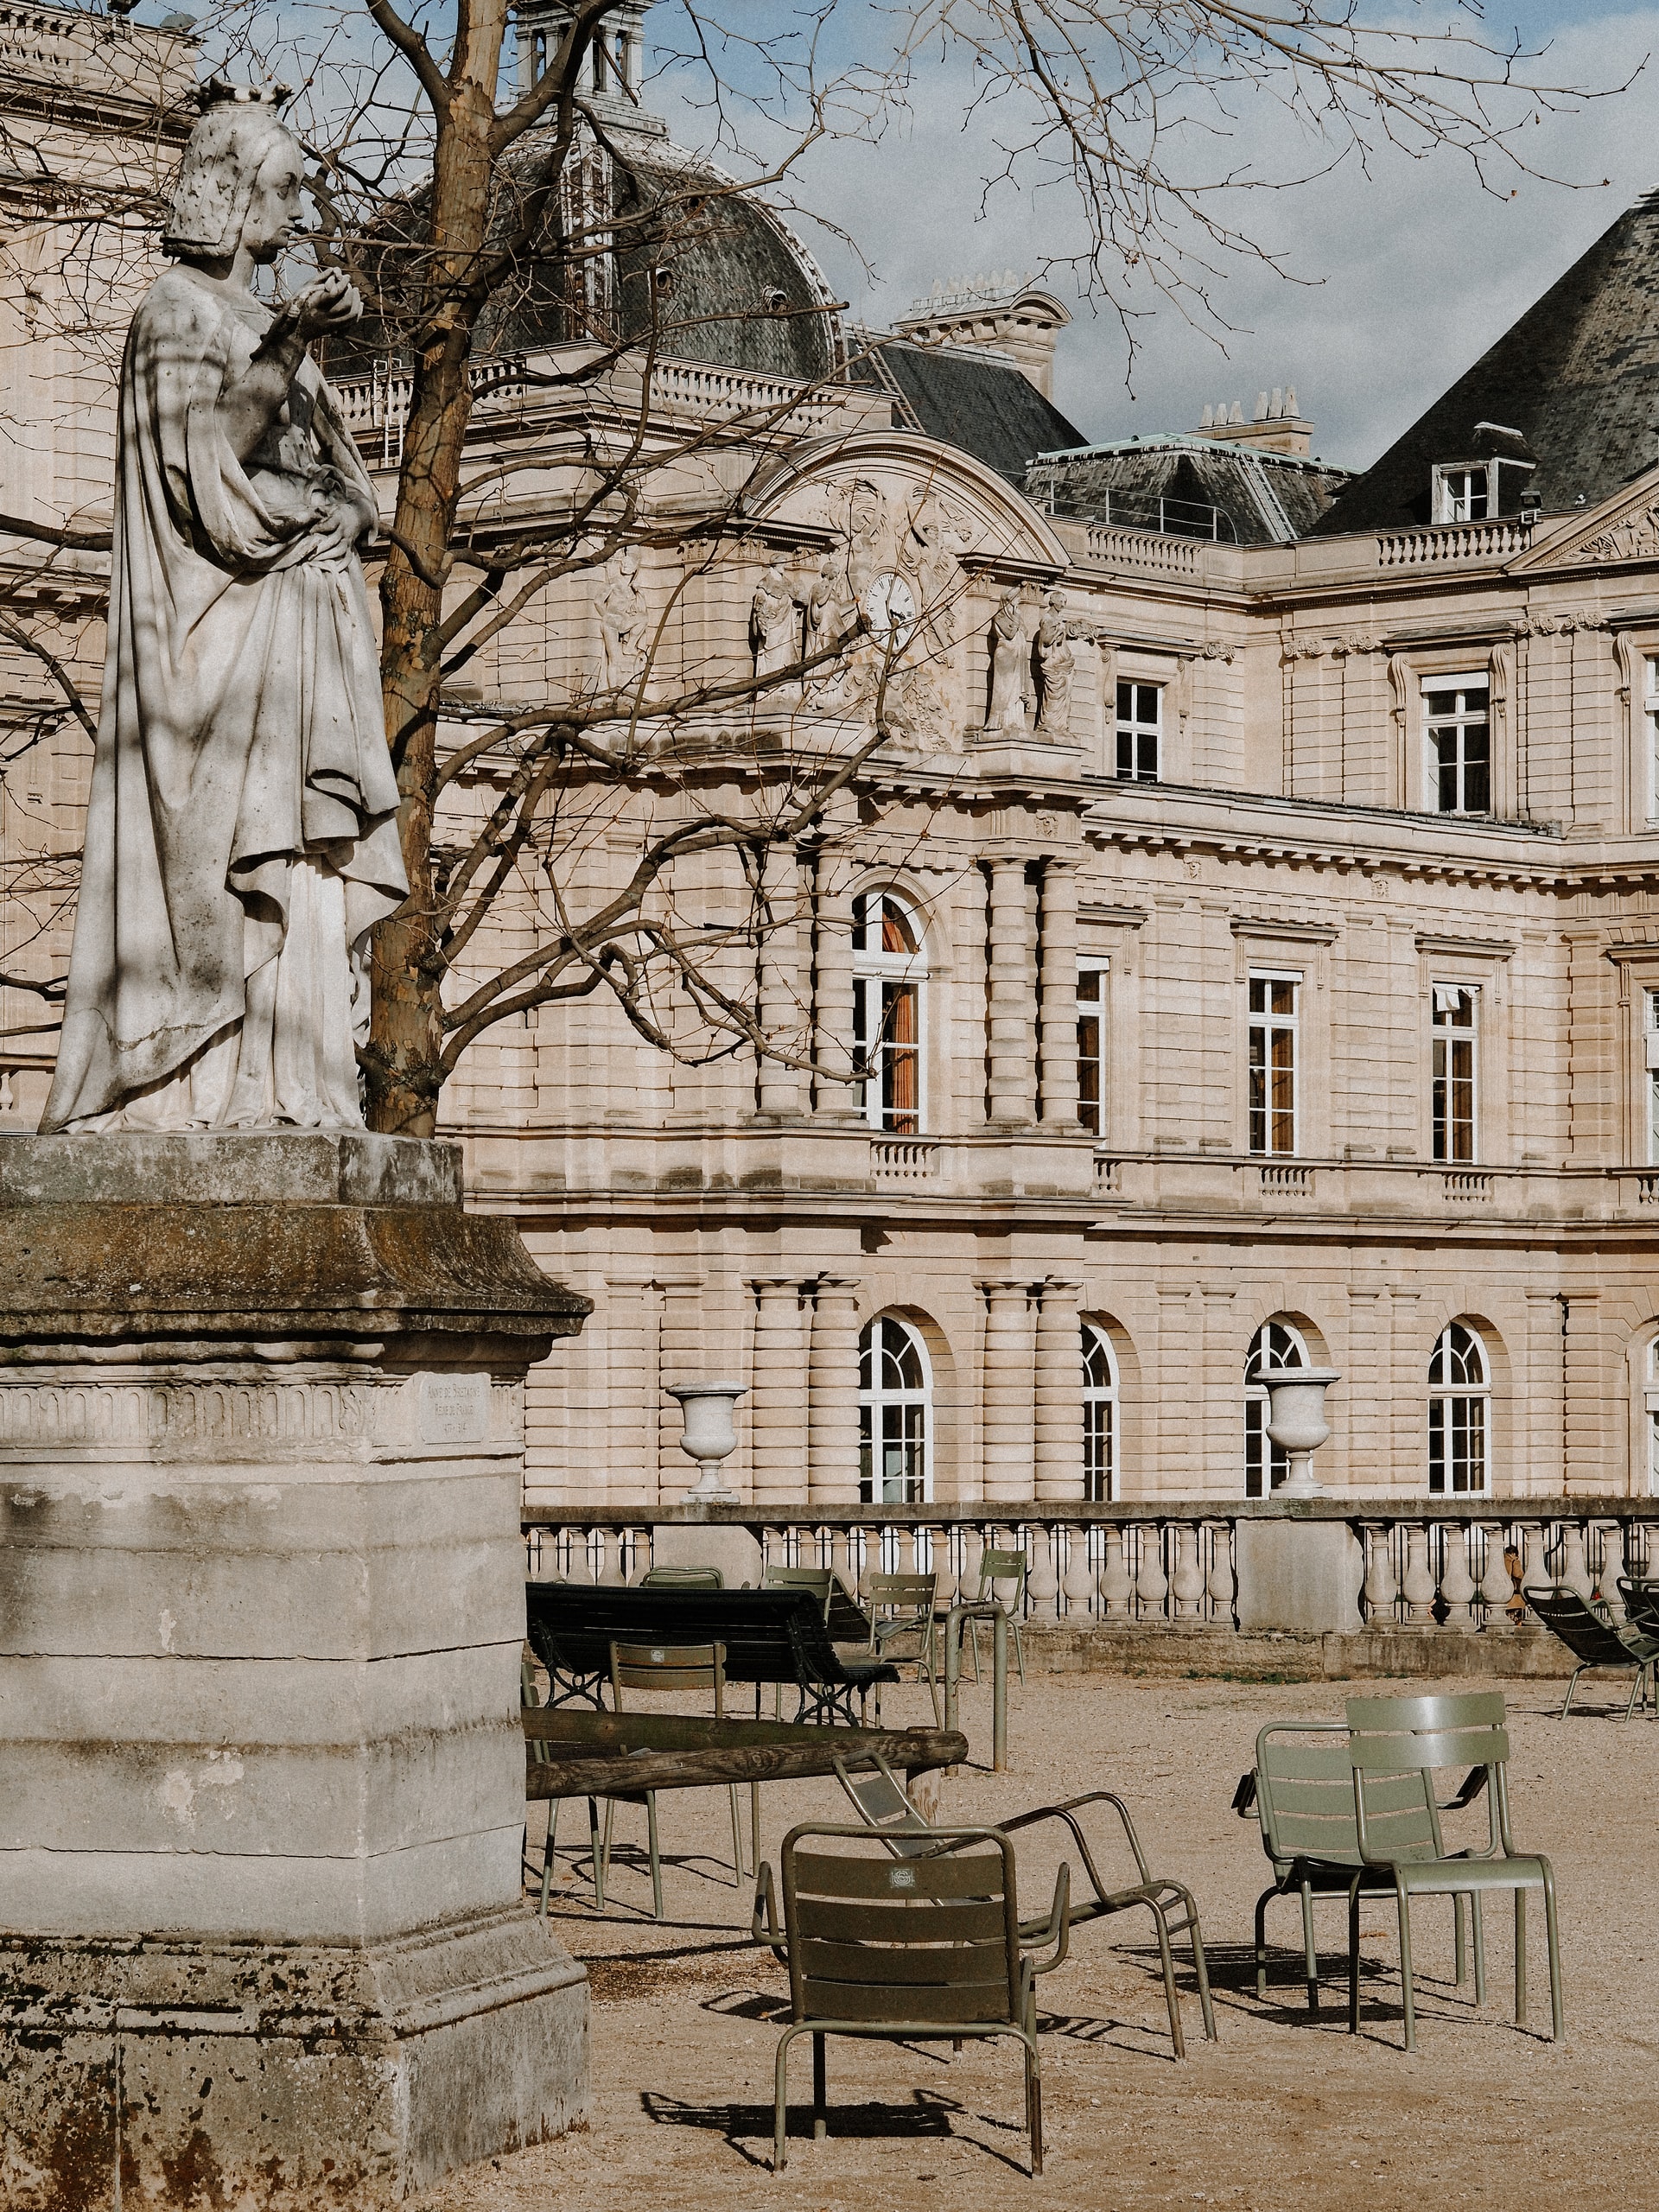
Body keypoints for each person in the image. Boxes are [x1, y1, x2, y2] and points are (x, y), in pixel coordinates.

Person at [41, 82, 406, 1134]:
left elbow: (350, 490)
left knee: (299, 861)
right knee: (231, 860)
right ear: (234, 193)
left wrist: (341, 513)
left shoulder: (259, 316)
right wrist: (288, 340)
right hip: (221, 641)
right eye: (285, 188)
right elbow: (208, 476)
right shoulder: (174, 312)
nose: (298, 209)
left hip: (302, 624)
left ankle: (291, 1085)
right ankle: (199, 1087)